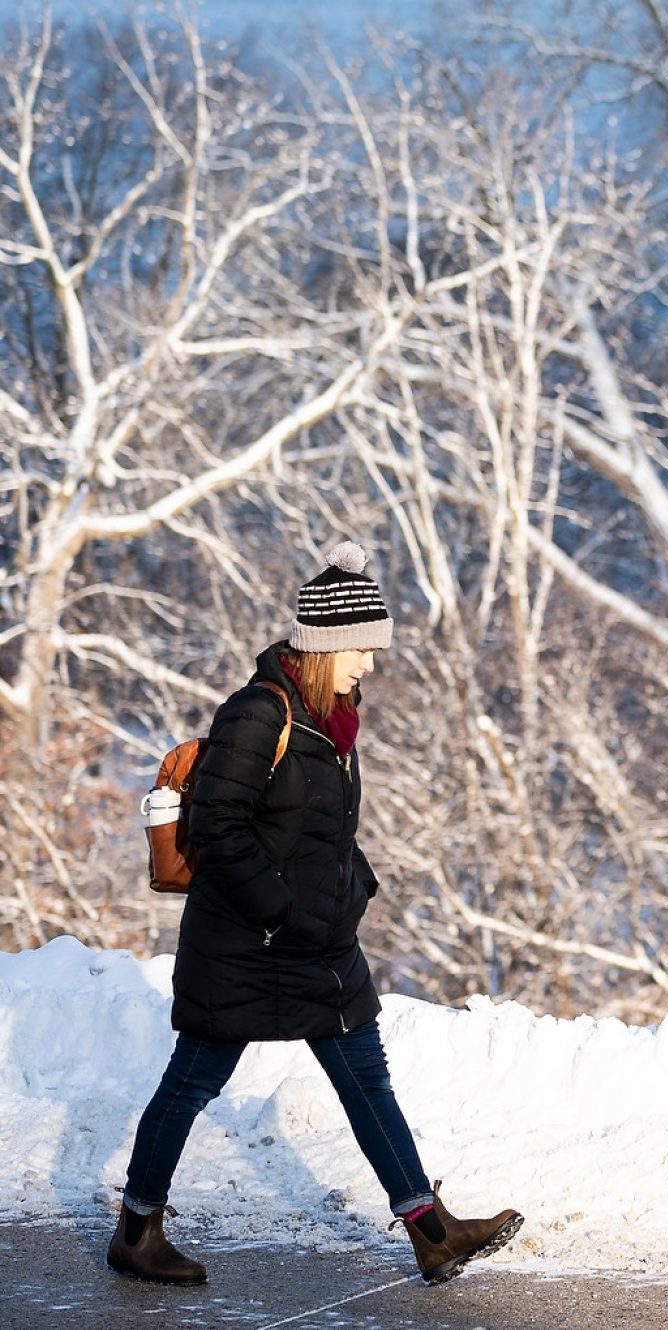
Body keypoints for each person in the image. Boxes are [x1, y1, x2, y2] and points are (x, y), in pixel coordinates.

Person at [109, 542, 522, 1288]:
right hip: (245, 946)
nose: (369, 662)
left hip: (317, 941)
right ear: (328, 646)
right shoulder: (258, 713)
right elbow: (220, 828)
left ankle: (430, 1231)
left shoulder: (331, 719)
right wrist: (281, 910)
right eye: (362, 647)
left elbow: (320, 827)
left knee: (367, 1077)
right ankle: (137, 1230)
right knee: (194, 1081)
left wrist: (349, 886)